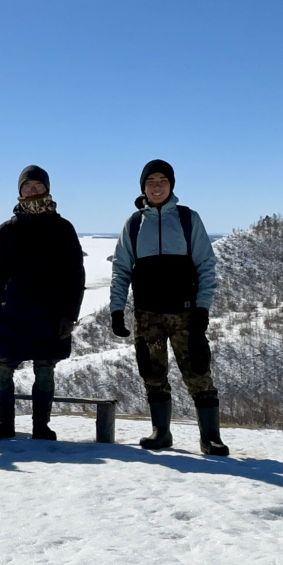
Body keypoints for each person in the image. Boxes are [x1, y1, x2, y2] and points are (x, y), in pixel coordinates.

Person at [110, 159, 229, 455]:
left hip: (185, 313)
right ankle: (161, 433)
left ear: (171, 185)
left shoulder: (189, 219)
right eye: (151, 181)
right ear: (143, 187)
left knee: (198, 374)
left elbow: (206, 266)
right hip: (147, 314)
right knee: (152, 375)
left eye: (163, 180)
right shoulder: (134, 224)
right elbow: (121, 270)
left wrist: (202, 307)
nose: (157, 186)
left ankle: (210, 438)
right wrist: (116, 309)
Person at [0, 165, 85, 441]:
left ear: (47, 189)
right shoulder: (7, 230)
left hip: (48, 314)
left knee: (44, 370)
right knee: (2, 370)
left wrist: (69, 314)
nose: (32, 190)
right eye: (27, 186)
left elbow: (75, 275)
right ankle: (6, 424)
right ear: (19, 191)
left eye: (37, 186)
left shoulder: (63, 229)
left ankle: (41, 426)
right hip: (11, 314)